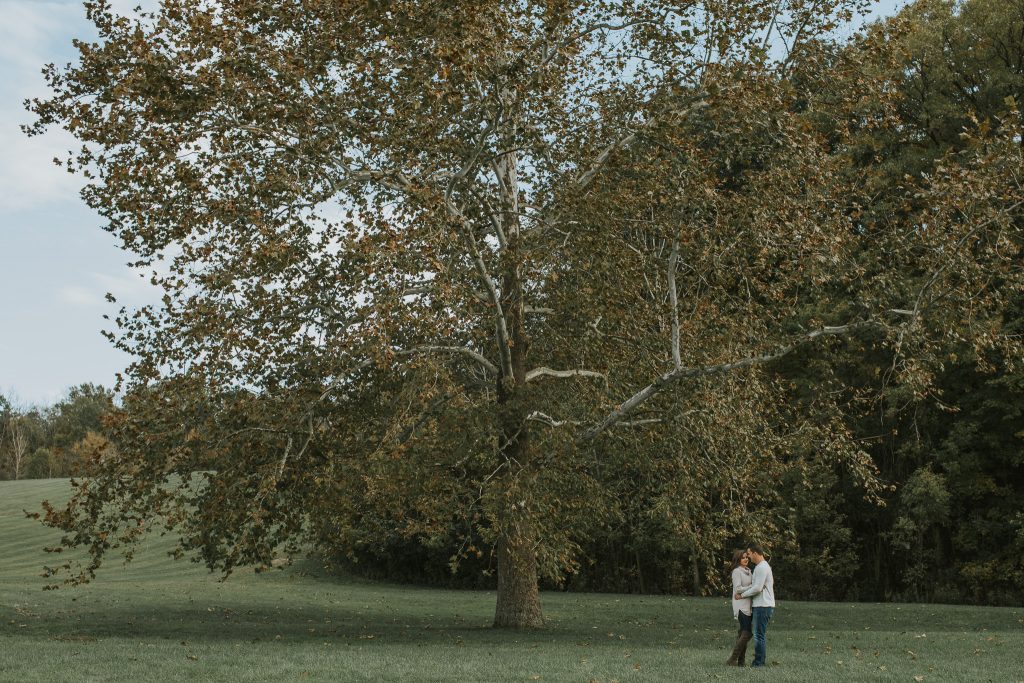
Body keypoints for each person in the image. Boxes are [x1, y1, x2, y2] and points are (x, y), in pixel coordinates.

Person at [734, 543, 775, 667]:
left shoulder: (762, 567)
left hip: (763, 606)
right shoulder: (761, 567)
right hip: (761, 605)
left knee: (759, 635)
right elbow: (755, 586)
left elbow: (757, 588)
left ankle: (758, 663)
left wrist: (742, 595)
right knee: (758, 634)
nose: (749, 557)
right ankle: (758, 661)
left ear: (755, 553)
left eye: (750, 554)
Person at [726, 549, 753, 666]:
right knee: (747, 632)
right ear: (738, 560)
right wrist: (752, 587)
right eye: (743, 557)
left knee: (743, 633)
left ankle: (741, 662)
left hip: (749, 605)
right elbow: (737, 589)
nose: (746, 559)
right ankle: (732, 659)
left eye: (747, 557)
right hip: (741, 606)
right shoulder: (736, 571)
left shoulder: (748, 570)